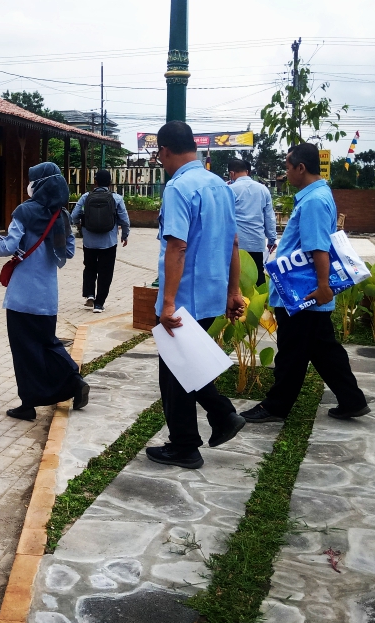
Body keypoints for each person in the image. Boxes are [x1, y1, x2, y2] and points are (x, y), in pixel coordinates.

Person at [241, 144, 369, 423]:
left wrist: (323, 287)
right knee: (323, 350)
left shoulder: (313, 201)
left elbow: (318, 247)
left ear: (301, 168)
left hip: (304, 292)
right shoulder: (318, 195)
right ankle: (352, 400)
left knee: (292, 352)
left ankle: (276, 407)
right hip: (307, 289)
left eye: (288, 167)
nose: (285, 173)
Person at [146, 121, 247, 470]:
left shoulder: (178, 187)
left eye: (158, 155)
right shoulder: (220, 185)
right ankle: (219, 419)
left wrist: (167, 303)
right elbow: (234, 242)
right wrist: (233, 291)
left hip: (183, 298)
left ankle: (187, 444)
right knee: (185, 365)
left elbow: (177, 246)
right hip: (211, 293)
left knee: (174, 374)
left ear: (164, 150)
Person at [0, 162, 89, 421]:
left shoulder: (24, 211)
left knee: (24, 352)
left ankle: (28, 404)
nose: (29, 185)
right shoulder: (62, 215)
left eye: (31, 181)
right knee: (48, 344)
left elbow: (8, 245)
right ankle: (75, 381)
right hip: (47, 296)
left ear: (39, 184)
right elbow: (68, 252)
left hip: (22, 296)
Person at [69, 169, 131, 313]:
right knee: (106, 272)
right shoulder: (116, 198)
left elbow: (73, 216)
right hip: (109, 242)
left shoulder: (86, 197)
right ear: (110, 183)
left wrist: (81, 225)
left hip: (89, 242)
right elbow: (125, 220)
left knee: (89, 268)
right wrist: (125, 235)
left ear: (95, 182)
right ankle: (99, 304)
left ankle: (90, 294)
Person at [227, 157, 277, 285]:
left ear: (232, 173)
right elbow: (269, 217)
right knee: (258, 276)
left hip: (236, 244)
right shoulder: (263, 190)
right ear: (247, 172)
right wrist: (272, 240)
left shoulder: (230, 190)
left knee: (236, 279)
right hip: (256, 242)